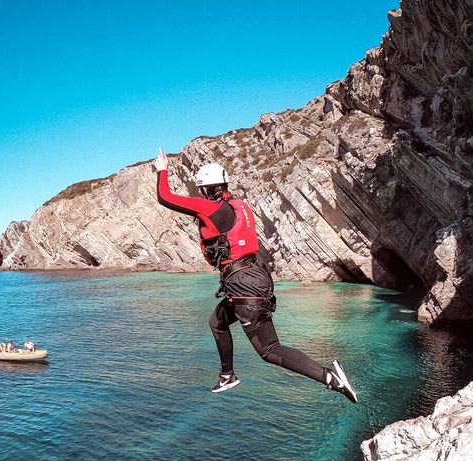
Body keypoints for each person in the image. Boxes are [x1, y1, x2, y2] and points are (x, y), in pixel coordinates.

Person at [152, 148, 358, 402]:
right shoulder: (238, 207)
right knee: (217, 322)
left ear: (205, 189)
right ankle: (227, 375)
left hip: (243, 285)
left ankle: (331, 378)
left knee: (270, 350)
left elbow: (164, 196)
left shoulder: (210, 209)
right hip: (253, 277)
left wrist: (162, 169)